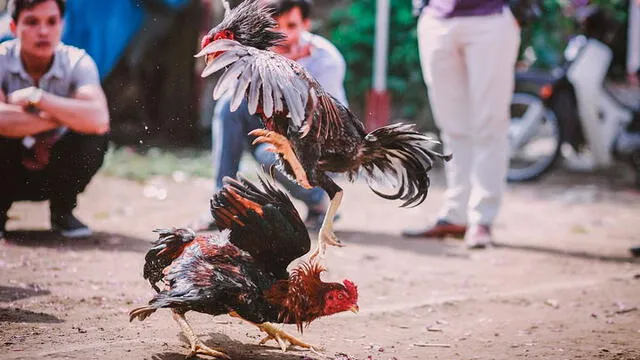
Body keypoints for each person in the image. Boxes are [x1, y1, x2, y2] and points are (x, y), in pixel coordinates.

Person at [201, 0, 348, 231]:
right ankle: (224, 202)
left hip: (322, 147)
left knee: (270, 154)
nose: (284, 34)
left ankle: (320, 199)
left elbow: (317, 121)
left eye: (291, 25)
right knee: (228, 105)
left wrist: (287, 69)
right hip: (278, 130)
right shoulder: (259, 52)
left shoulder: (326, 59)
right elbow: (241, 97)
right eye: (276, 27)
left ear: (307, 24)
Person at [402, 0, 521, 248]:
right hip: (437, 18)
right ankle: (456, 214)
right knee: (451, 124)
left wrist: (519, 11)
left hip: (491, 17)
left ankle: (482, 219)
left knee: (490, 123)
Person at [0, 0, 109, 239]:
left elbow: (99, 119)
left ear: (62, 25)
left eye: (51, 22)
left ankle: (63, 210)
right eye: (31, 22)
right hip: (9, 170)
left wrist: (37, 98)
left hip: (54, 171)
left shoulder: (77, 61)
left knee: (94, 137)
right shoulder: (1, 60)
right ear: (13, 27)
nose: (43, 31)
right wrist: (68, 117)